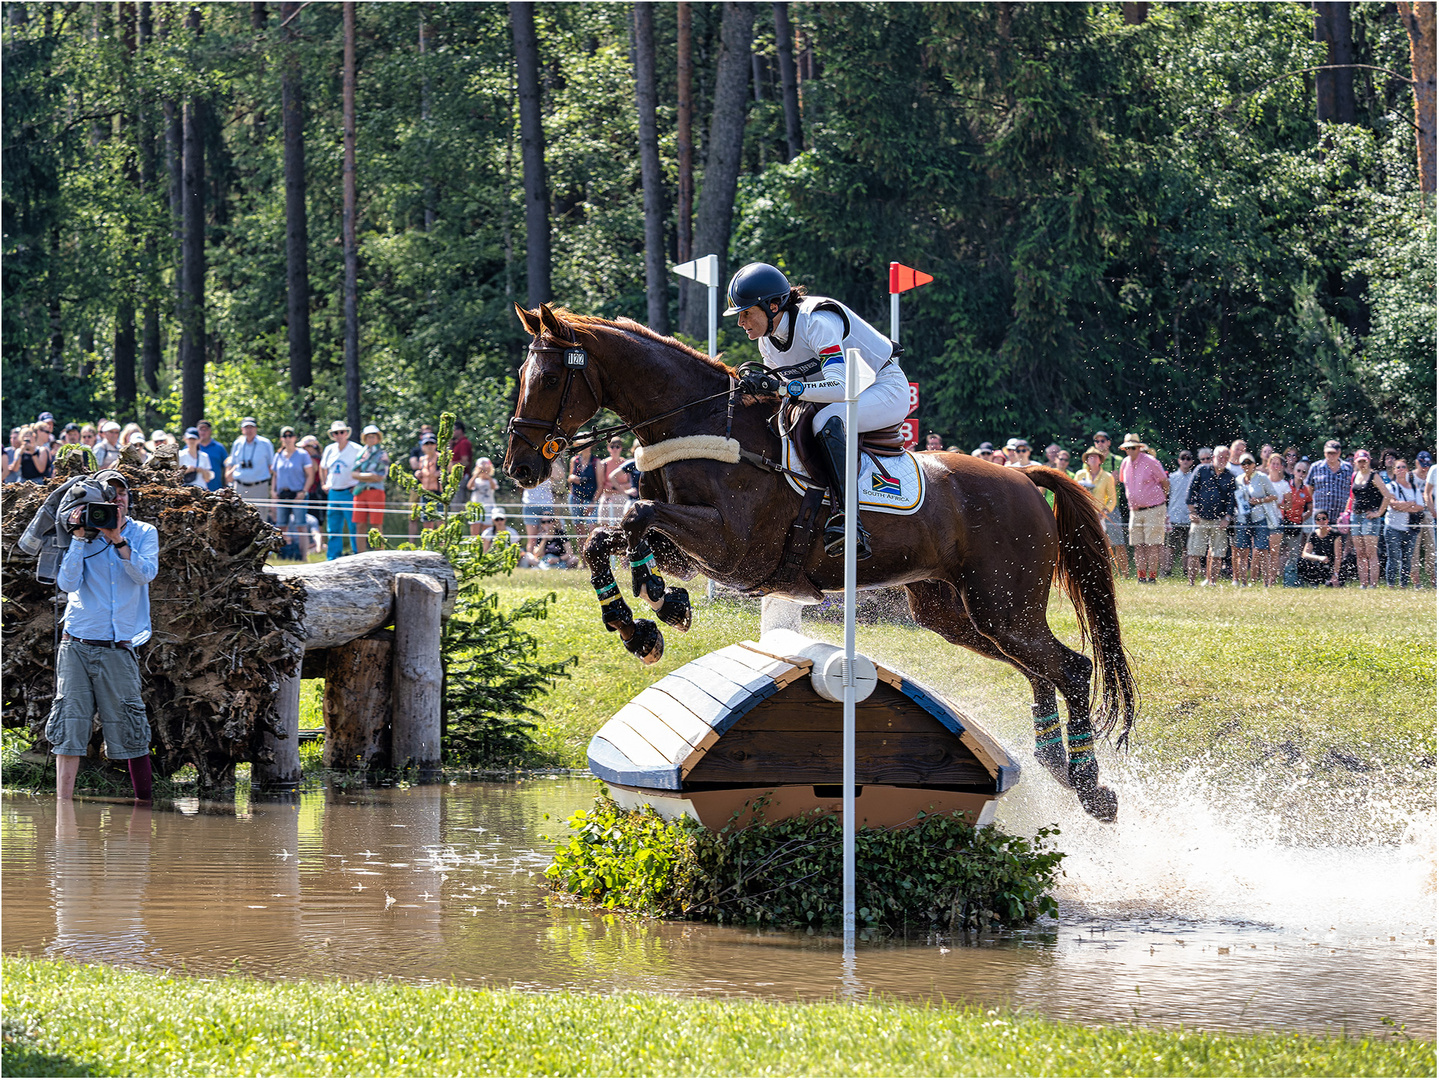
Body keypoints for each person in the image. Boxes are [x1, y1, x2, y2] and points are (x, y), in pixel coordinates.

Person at [725, 261, 908, 560]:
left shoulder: (816, 321)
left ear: (773, 306)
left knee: (827, 420)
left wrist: (782, 387)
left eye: (746, 313)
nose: (741, 322)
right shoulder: (766, 344)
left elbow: (841, 388)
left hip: (883, 388)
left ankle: (851, 521)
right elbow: (785, 397)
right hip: (840, 397)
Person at [48, 469, 158, 801]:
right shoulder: (82, 533)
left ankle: (145, 805)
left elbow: (145, 575)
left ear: (129, 497)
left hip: (119, 645)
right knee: (69, 725)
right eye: (108, 494)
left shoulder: (143, 532)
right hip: (77, 643)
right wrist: (81, 538)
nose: (115, 499)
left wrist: (118, 540)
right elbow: (66, 584)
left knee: (132, 725)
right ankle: (62, 810)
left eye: (121, 492)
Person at [1117, 434, 1169, 584]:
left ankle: (1152, 577)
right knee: (1138, 545)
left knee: (1153, 545)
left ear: (1139, 448)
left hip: (1154, 508)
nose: (1130, 450)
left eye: (1133, 447)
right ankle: (1141, 577)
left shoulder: (1151, 461)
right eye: (1127, 448)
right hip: (1135, 510)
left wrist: (1160, 501)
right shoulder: (1125, 463)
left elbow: (1165, 483)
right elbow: (1124, 483)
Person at [1186, 444, 1237, 586]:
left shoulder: (1230, 476)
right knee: (1194, 552)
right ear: (1213, 457)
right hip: (1200, 518)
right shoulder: (1201, 470)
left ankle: (1212, 582)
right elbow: (1191, 492)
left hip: (1219, 520)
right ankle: (1191, 583)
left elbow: (1231, 501)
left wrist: (1227, 518)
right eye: (1220, 457)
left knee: (1217, 553)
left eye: (1226, 457)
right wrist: (1192, 512)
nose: (1223, 459)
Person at [1305, 439, 1351, 585]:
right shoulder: (1316, 467)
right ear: (1324, 453)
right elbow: (1309, 487)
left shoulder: (1348, 468)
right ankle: (1317, 579)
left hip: (1340, 516)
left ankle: (1336, 578)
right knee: (1317, 548)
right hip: (1320, 517)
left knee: (1338, 551)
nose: (1331, 455)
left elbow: (1352, 491)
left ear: (1339, 453)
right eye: (1328, 453)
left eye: (1334, 453)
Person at [1346, 449, 1389, 589]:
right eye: (1360, 461)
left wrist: (1379, 513)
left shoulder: (1374, 476)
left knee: (1371, 552)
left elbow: (1387, 496)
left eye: (1364, 461)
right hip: (1355, 515)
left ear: (1369, 461)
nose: (1362, 464)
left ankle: (1373, 584)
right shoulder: (1354, 475)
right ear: (1356, 462)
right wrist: (1346, 512)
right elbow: (1352, 497)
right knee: (1359, 553)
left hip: (1369, 516)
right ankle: (1363, 583)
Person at [1233, 453, 1278, 586]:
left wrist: (1260, 500)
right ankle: (1244, 583)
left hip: (1259, 517)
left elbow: (1274, 495)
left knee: (1262, 550)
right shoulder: (1238, 479)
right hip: (1242, 518)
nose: (1246, 465)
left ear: (1254, 464)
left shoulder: (1262, 477)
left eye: (1249, 463)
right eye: (1243, 463)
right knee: (1242, 551)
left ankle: (1266, 583)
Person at [273, 426, 316, 558]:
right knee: (281, 527)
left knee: (301, 526)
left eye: (290, 436)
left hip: (298, 493)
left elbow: (310, 474)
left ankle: (304, 556)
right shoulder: (278, 455)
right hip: (282, 494)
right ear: (281, 439)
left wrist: (303, 491)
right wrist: (273, 492)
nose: (288, 439)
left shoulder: (302, 455)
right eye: (285, 436)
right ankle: (281, 555)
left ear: (295, 438)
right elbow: (275, 475)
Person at [320, 421, 360, 559]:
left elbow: (363, 467)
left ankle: (357, 554)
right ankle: (332, 556)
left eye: (341, 432)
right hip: (334, 491)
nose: (339, 435)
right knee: (333, 526)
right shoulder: (329, 449)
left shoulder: (356, 449)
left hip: (349, 491)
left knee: (353, 525)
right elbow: (323, 466)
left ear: (346, 433)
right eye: (335, 433)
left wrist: (358, 484)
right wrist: (324, 483)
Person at [1382, 459, 1424, 588]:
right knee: (1393, 558)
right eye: (1398, 467)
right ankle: (1391, 585)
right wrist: (1411, 504)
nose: (1401, 469)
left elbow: (1420, 507)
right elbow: (1393, 505)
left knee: (1407, 559)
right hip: (1393, 527)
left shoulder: (1414, 488)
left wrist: (1404, 506)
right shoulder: (1390, 486)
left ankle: (1404, 585)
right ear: (1394, 470)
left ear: (1407, 470)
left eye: (1403, 467)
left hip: (1410, 528)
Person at [226, 417, 276, 520]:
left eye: (251, 427)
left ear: (256, 428)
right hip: (240, 486)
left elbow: (271, 466)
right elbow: (232, 463)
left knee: (260, 518)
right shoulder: (237, 443)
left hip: (259, 486)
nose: (249, 430)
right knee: (239, 517)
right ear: (242, 429)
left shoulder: (265, 443)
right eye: (246, 427)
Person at [350, 425, 389, 552]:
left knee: (376, 524)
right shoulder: (360, 454)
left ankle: (379, 553)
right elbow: (353, 474)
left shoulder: (382, 454)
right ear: (364, 439)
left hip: (375, 491)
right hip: (360, 491)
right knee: (360, 524)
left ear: (378, 438)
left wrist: (363, 476)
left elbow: (380, 476)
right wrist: (369, 476)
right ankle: (360, 554)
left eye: (373, 436)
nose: (371, 439)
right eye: (368, 437)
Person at [1279, 458, 1313, 583]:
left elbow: (1310, 508)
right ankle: (1278, 578)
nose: (1301, 473)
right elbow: (1279, 503)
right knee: (1280, 552)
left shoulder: (1306, 490)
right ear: (1293, 471)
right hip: (1284, 522)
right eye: (1298, 470)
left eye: (1304, 472)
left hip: (1297, 525)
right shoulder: (1286, 485)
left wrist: (1302, 518)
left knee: (1293, 554)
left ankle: (1289, 580)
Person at [1164, 449, 1196, 578]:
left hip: (1188, 517)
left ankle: (1186, 571)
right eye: (1183, 458)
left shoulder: (1194, 477)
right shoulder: (1171, 478)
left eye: (1188, 458)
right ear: (1179, 460)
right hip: (1173, 516)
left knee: (1186, 548)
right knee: (1170, 546)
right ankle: (1166, 571)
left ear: (1192, 461)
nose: (1185, 461)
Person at [1262, 452, 1291, 586]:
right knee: (1263, 552)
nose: (1274, 466)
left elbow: (1289, 505)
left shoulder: (1284, 484)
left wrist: (1281, 505)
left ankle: (1272, 581)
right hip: (1262, 519)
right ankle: (1263, 580)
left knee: (1274, 552)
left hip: (1276, 519)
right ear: (1268, 465)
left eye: (1277, 464)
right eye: (1272, 463)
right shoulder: (1262, 480)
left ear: (1281, 467)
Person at [410, 433, 442, 537]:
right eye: (426, 444)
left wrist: (441, 473)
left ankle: (441, 545)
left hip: (438, 494)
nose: (429, 446)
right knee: (426, 520)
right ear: (422, 446)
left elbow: (449, 473)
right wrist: (418, 474)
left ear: (436, 445)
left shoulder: (441, 458)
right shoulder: (422, 459)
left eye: (431, 443)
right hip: (425, 492)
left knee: (440, 520)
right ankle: (429, 544)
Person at [566, 446, 599, 545]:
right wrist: (574, 479)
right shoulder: (574, 460)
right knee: (579, 532)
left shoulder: (596, 462)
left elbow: (600, 485)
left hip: (590, 499)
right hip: (575, 498)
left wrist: (593, 502)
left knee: (592, 530)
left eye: (585, 445)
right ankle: (583, 559)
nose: (584, 448)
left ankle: (593, 557)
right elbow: (569, 478)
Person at [300, 435, 327, 553]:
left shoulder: (314, 460)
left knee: (317, 520)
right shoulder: (317, 458)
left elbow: (310, 473)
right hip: (314, 493)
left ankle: (319, 545)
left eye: (305, 447)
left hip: (317, 494)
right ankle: (317, 544)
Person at [595, 437, 631, 525]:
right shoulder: (603, 464)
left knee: (622, 526)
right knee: (604, 527)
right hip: (607, 498)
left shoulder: (626, 463)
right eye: (612, 446)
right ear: (608, 448)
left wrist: (615, 486)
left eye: (617, 446)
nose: (615, 449)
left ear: (621, 448)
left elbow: (631, 484)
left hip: (622, 499)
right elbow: (601, 485)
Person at [1298, 511, 1339, 587]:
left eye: (1324, 519)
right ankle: (1312, 583)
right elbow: (1304, 554)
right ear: (1316, 522)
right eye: (1318, 519)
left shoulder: (1335, 534)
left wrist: (1335, 574)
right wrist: (1318, 558)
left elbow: (1338, 556)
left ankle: (1331, 580)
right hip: (1319, 564)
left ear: (1327, 520)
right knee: (1301, 561)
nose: (1321, 521)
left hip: (1331, 565)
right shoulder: (1313, 534)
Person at [468, 457, 499, 537]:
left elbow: (493, 487)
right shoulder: (476, 480)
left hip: (488, 508)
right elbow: (469, 486)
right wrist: (476, 474)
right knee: (474, 533)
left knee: (487, 533)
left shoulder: (493, 480)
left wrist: (488, 477)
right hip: (476, 508)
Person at [194, 420, 227, 492]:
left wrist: (226, 484)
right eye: (200, 429)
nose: (203, 432)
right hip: (195, 490)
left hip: (216, 488)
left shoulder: (219, 447)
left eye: (205, 430)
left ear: (210, 431)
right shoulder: (190, 447)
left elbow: (226, 467)